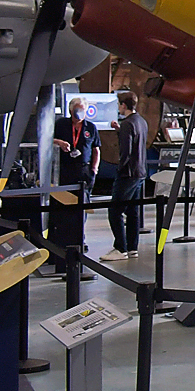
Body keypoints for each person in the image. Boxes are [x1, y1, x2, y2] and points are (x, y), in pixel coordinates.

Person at [48, 97, 99, 273]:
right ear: (71, 110)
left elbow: (96, 150)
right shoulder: (61, 124)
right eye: (77, 109)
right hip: (64, 171)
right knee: (63, 212)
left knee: (81, 210)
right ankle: (61, 245)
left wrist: (94, 170)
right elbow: (47, 139)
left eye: (82, 109)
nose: (79, 112)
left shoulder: (90, 127)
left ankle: (80, 241)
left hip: (84, 171)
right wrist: (59, 143)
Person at [101, 91, 148, 262]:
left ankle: (120, 247)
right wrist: (119, 131)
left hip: (127, 174)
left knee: (115, 211)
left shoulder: (128, 124)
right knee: (133, 212)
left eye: (118, 105)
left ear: (123, 105)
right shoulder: (141, 121)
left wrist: (120, 169)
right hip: (140, 172)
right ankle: (132, 247)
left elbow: (126, 151)